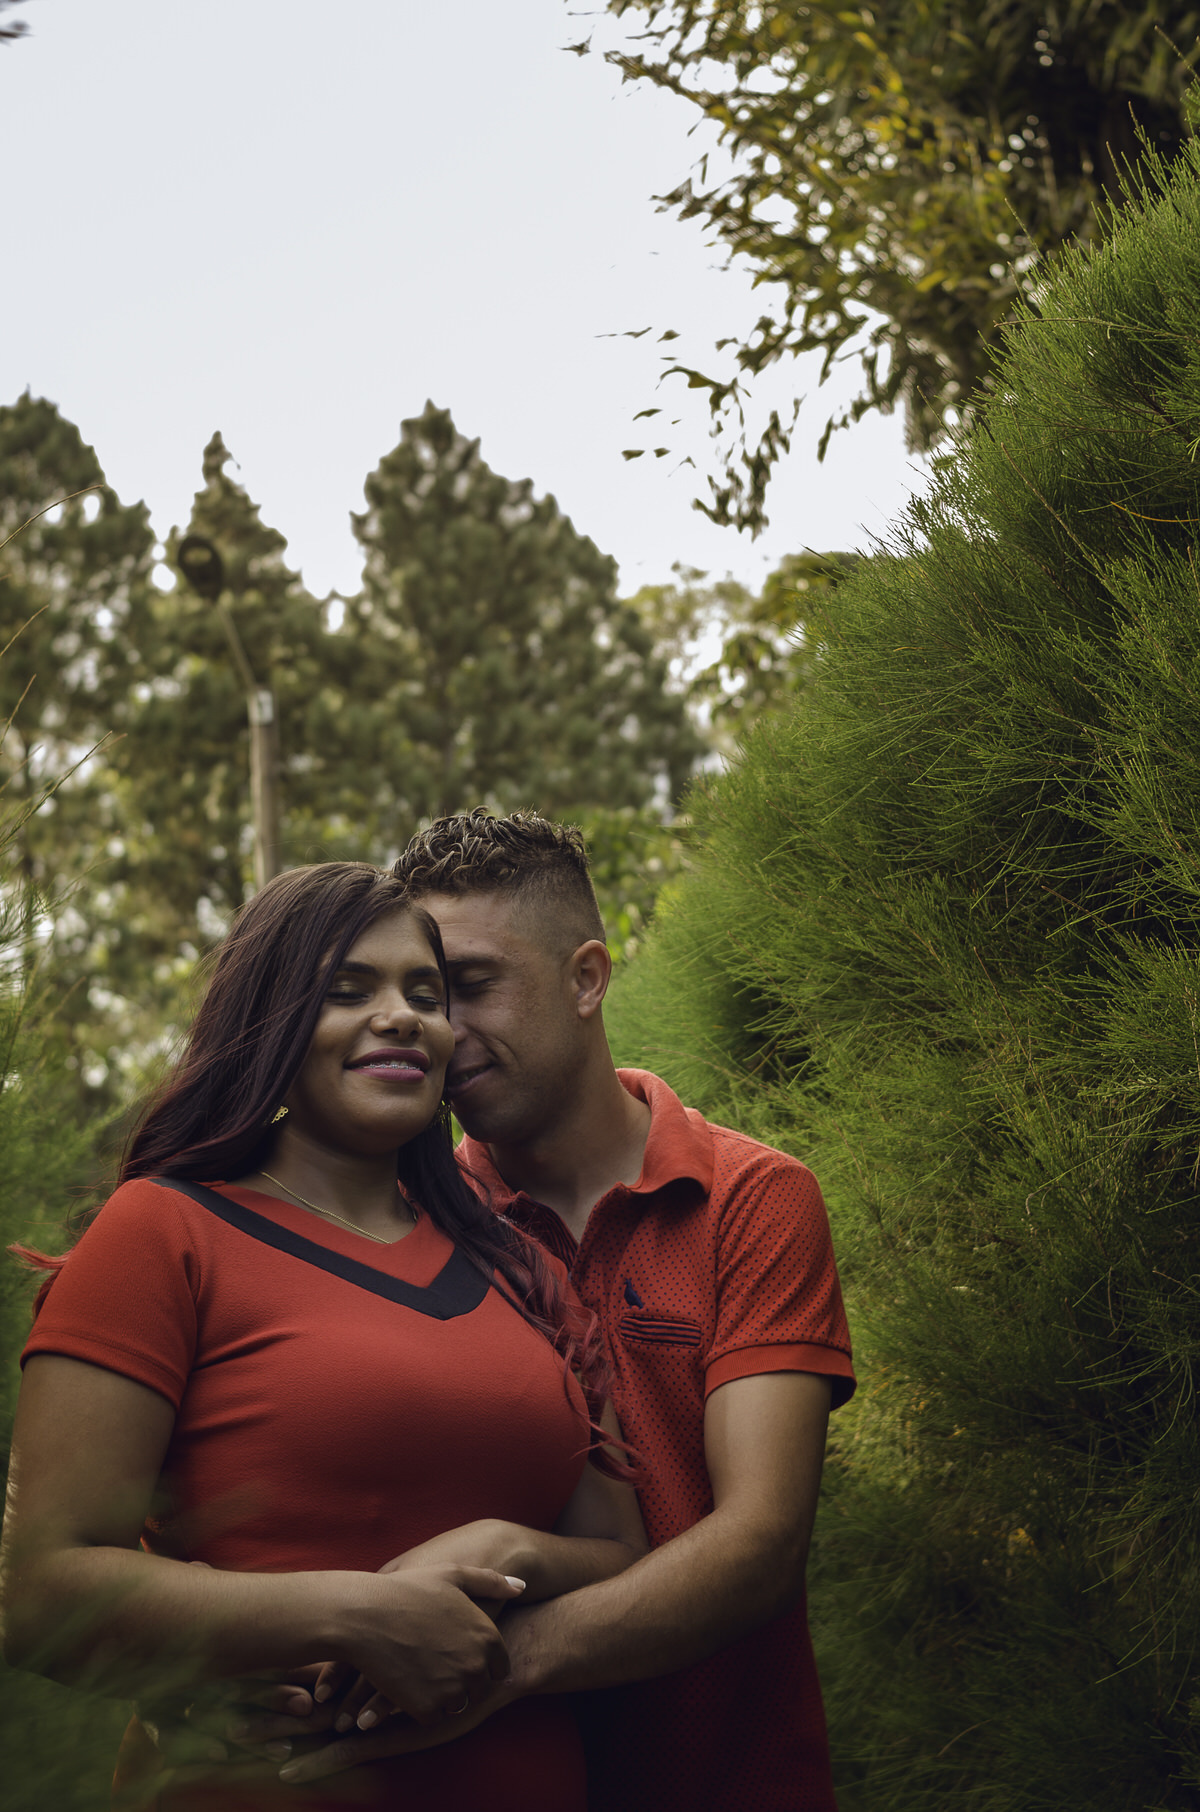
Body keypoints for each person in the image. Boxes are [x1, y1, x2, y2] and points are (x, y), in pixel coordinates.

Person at [0, 861, 645, 1812]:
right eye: (347, 990)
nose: (401, 1017)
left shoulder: (520, 1269)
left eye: (424, 994)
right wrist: (356, 1614)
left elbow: (623, 1556)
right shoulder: (162, 1231)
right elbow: (37, 1592)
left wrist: (513, 1548)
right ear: (271, 1020)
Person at [261, 813, 855, 1811]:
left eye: (471, 984)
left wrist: (489, 1670)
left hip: (732, 1782)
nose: (440, 1028)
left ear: (586, 979)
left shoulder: (753, 1199)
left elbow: (757, 1544)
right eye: (430, 994)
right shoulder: (398, 1222)